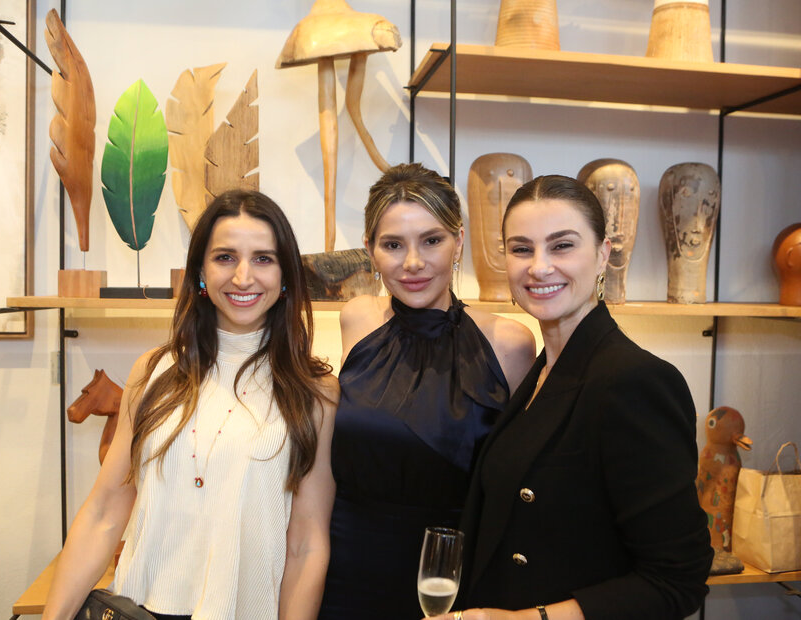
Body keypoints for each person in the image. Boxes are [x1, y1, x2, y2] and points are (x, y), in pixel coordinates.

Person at [42, 190, 338, 620]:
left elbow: (307, 543)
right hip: (141, 608)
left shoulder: (315, 392)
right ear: (200, 271)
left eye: (262, 258)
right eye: (224, 257)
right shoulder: (154, 371)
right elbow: (104, 513)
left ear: (286, 275)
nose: (242, 277)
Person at [434, 175, 712, 620]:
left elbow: (677, 580)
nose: (539, 267)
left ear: (603, 254)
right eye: (521, 249)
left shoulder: (634, 381)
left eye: (562, 246)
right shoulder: (541, 369)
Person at [319, 163, 536, 619]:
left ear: (458, 241)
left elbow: (515, 485)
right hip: (346, 570)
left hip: (447, 579)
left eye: (431, 241)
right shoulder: (357, 319)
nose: (412, 262)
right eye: (393, 244)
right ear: (370, 251)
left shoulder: (510, 343)